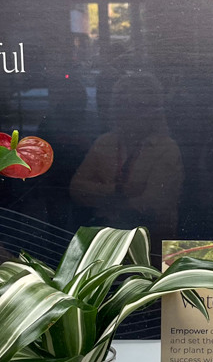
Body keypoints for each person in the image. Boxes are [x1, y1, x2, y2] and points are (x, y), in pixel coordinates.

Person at [69, 72, 184, 238]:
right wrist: (119, 190)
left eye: (140, 105)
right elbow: (76, 189)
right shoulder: (104, 142)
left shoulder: (166, 148)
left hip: (150, 243)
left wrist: (105, 201)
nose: (130, 112)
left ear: (155, 110)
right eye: (123, 104)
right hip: (106, 241)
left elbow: (153, 205)